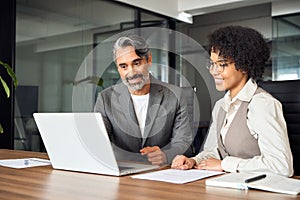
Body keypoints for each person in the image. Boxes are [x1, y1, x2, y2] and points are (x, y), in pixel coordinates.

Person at [171, 25, 294, 177]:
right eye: (212, 64)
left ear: (244, 65)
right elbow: (214, 150)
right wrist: (194, 161)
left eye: (222, 65)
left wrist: (225, 164)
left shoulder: (262, 104)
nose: (213, 71)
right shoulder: (221, 106)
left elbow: (281, 166)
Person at [94, 33, 193, 165]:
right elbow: (99, 140)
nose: (131, 72)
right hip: (122, 172)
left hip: (161, 174)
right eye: (124, 66)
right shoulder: (105, 98)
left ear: (149, 60)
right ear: (118, 69)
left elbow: (184, 142)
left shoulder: (175, 95)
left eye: (137, 63)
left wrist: (166, 155)